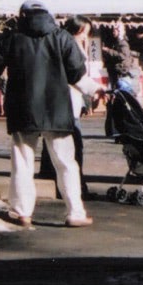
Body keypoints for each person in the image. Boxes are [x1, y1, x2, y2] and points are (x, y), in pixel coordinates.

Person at [0, 0, 92, 229]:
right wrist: (95, 90)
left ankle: (21, 212)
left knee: (22, 162)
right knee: (66, 162)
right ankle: (75, 212)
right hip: (57, 109)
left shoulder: (10, 38)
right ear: (48, 14)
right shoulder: (62, 37)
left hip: (23, 108)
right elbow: (76, 73)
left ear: (22, 15)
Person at [38, 15, 102, 199]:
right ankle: (75, 187)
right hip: (68, 101)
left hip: (62, 101)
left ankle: (53, 179)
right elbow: (75, 76)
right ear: (79, 30)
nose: (86, 37)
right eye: (85, 33)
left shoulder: (59, 43)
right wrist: (93, 90)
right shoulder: (69, 45)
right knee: (73, 146)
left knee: (53, 145)